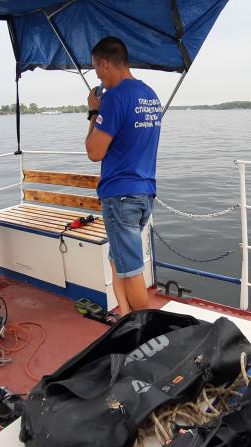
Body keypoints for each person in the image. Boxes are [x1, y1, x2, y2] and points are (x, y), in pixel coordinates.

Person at [85, 36, 162, 315]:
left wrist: (94, 112)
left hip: (120, 196)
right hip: (144, 193)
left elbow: (94, 151)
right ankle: (127, 316)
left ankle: (147, 331)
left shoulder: (115, 98)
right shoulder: (150, 95)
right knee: (119, 258)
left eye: (96, 69)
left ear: (104, 63)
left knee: (131, 270)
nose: (98, 76)